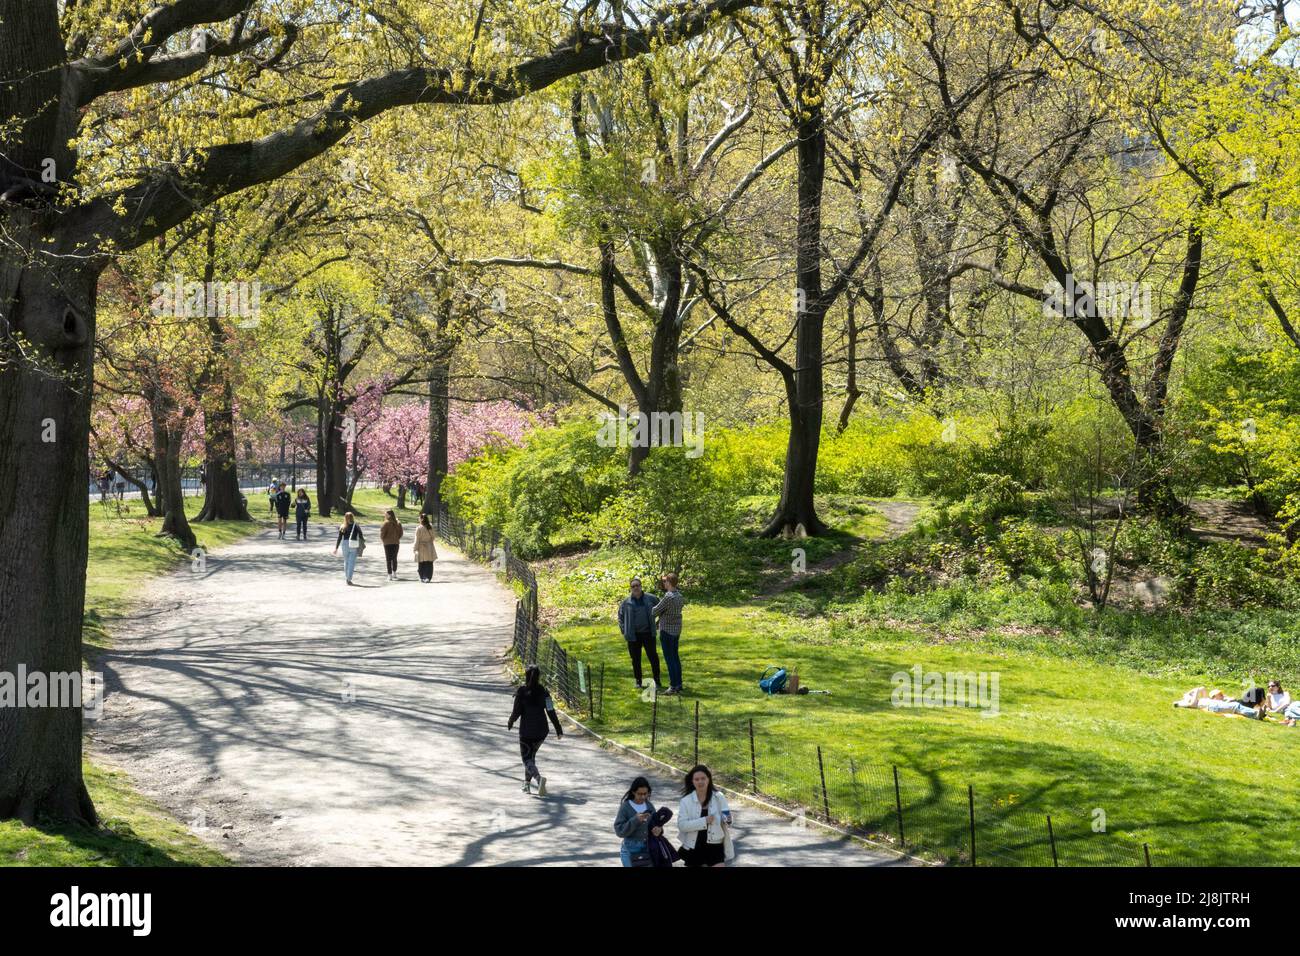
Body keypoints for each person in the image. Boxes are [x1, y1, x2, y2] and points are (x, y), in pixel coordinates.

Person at [507, 665, 563, 796]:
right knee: (531, 757)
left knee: (527, 759)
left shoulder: (522, 692)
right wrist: (558, 728)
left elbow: (516, 712)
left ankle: (539, 779)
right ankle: (526, 785)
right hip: (541, 732)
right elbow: (551, 711)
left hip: (526, 732)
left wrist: (511, 721)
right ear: (539, 676)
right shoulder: (544, 692)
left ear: (526, 676)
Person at [676, 764, 731, 868]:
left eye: (703, 778)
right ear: (692, 781)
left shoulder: (719, 797)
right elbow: (682, 825)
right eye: (696, 779)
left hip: (715, 846)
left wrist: (728, 820)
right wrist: (704, 820)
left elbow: (727, 818)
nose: (700, 782)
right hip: (694, 846)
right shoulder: (686, 801)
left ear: (709, 779)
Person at [618, 578, 662, 691]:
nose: (636, 588)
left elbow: (663, 609)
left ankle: (657, 680)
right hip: (633, 636)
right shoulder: (626, 602)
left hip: (648, 634)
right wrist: (624, 630)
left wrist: (658, 623)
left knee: (653, 658)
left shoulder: (651, 598)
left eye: (637, 585)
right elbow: (620, 617)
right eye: (633, 586)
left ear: (641, 586)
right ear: (631, 588)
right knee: (635, 659)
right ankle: (638, 681)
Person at [614, 776, 664, 867]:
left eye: (645, 794)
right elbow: (619, 831)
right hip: (630, 849)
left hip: (648, 848)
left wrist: (659, 829)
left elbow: (656, 824)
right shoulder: (625, 807)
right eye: (639, 794)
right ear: (633, 792)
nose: (643, 797)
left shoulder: (649, 806)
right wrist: (635, 820)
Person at [653, 573, 686, 696]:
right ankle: (679, 684)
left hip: (666, 630)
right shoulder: (679, 596)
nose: (664, 583)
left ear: (670, 582)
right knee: (675, 658)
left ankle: (673, 686)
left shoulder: (668, 596)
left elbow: (655, 611)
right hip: (676, 630)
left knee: (669, 659)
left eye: (665, 581)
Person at [1173, 687, 1264, 719]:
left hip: (1214, 705)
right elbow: (1191, 704)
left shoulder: (1204, 700)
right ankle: (1256, 714)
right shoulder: (1194, 703)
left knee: (1236, 706)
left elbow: (1203, 688)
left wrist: (1192, 691)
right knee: (1235, 706)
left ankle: (1256, 713)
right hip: (1213, 706)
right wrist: (1195, 691)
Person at [332, 512, 365, 585]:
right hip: (353, 544)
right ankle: (349, 579)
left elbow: (339, 538)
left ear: (345, 518)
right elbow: (361, 535)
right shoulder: (356, 526)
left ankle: (347, 577)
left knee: (346, 561)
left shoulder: (343, 526)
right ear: (352, 517)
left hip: (345, 544)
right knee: (351, 562)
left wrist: (336, 548)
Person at [413, 513, 438, 583]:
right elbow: (433, 537)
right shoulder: (430, 527)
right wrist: (429, 542)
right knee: (429, 563)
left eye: (419, 518)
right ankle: (428, 577)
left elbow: (417, 539)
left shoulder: (419, 528)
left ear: (421, 519)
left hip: (421, 547)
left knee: (421, 563)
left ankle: (422, 576)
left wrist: (415, 549)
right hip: (429, 547)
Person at [380, 509, 403, 580]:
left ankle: (389, 575)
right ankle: (394, 573)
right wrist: (397, 538)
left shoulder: (386, 523)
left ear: (389, 515)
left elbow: (382, 534)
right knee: (394, 558)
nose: (385, 515)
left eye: (386, 514)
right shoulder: (398, 523)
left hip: (387, 543)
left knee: (388, 559)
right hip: (396, 543)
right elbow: (401, 533)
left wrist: (383, 539)